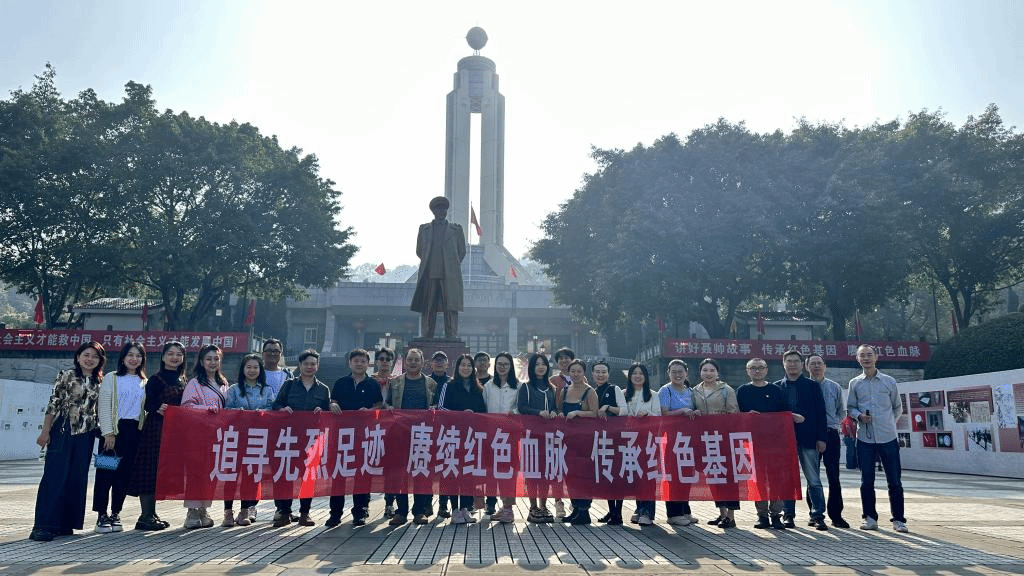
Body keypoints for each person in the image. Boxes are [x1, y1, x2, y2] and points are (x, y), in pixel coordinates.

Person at [30, 342, 106, 542]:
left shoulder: (99, 381)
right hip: (63, 430)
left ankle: (65, 524)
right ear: (78, 357)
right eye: (86, 355)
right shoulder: (67, 375)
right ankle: (43, 525)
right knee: (55, 477)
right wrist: (45, 432)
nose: (90, 359)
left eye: (95, 357)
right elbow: (53, 403)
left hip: (86, 435)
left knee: (76, 478)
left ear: (100, 361)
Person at [848, 344, 908, 533]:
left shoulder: (889, 381)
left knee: (895, 481)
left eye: (869, 355)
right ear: (857, 359)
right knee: (866, 481)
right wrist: (859, 416)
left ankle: (898, 519)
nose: (866, 358)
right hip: (864, 439)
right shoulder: (855, 383)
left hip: (888, 437)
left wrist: (889, 423)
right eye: (862, 355)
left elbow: (897, 407)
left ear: (876, 357)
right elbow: (850, 407)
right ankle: (870, 518)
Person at [128, 340, 187, 531]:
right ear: (162, 357)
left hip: (174, 432)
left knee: (161, 472)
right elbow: (147, 403)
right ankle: (145, 515)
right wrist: (157, 407)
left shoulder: (183, 380)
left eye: (179, 354)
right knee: (149, 470)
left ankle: (152, 514)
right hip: (155, 430)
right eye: (170, 353)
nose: (174, 357)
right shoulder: (155, 379)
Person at [271, 349, 331, 527]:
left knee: (308, 477)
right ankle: (285, 512)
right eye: (306, 364)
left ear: (317, 366)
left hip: (312, 439)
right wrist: (282, 409)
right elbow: (276, 404)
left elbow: (328, 411)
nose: (309, 367)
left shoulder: (323, 389)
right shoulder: (289, 385)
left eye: (313, 364)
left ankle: (305, 513)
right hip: (289, 437)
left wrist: (323, 411)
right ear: (300, 365)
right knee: (286, 475)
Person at [93, 342, 146, 535]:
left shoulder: (144, 381)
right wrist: (108, 432)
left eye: (138, 355)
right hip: (113, 433)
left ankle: (116, 513)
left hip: (134, 433)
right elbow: (103, 406)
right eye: (130, 355)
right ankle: (101, 515)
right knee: (105, 475)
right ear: (123, 358)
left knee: (123, 476)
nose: (134, 359)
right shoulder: (112, 378)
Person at [327, 348, 384, 527]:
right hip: (342, 436)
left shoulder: (373, 384)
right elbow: (333, 400)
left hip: (364, 436)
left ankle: (360, 511)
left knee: (362, 474)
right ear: (350, 363)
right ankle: (335, 513)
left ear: (368, 364)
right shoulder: (340, 382)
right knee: (339, 474)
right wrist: (332, 404)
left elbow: (379, 404)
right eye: (356, 361)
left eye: (363, 361)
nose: (359, 364)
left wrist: (370, 411)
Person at [775, 349, 829, 531]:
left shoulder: (812, 386)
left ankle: (818, 515)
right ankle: (788, 515)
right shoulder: (776, 387)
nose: (792, 364)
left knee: (813, 480)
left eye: (796, 361)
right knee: (787, 479)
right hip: (784, 441)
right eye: (789, 361)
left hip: (809, 438)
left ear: (802, 365)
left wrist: (822, 438)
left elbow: (821, 414)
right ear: (783, 364)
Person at [180, 344, 229, 529]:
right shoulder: (194, 383)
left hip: (217, 435)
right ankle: (192, 511)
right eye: (208, 359)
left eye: (216, 359)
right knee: (196, 472)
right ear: (201, 362)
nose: (212, 362)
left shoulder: (223, 383)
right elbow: (187, 406)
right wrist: (207, 409)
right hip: (198, 434)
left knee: (211, 472)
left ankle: (204, 509)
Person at [736, 357, 788, 530]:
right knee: (758, 480)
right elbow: (736, 416)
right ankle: (762, 515)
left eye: (760, 367)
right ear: (747, 371)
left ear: (766, 370)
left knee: (776, 479)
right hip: (753, 442)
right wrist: (746, 416)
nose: (757, 371)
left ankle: (776, 515)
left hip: (775, 442)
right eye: (753, 368)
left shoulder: (776, 390)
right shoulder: (742, 391)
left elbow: (784, 414)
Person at [224, 353, 275, 527]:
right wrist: (238, 412)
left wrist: (262, 413)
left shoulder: (267, 390)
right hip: (236, 437)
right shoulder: (233, 389)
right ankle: (228, 512)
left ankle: (245, 510)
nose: (252, 370)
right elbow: (226, 410)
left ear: (260, 370)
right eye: (248, 367)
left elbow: (272, 409)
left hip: (257, 438)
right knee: (231, 474)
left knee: (251, 474)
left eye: (255, 367)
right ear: (243, 369)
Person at [387, 348, 437, 525]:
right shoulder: (395, 383)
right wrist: (389, 410)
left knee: (420, 472)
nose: (413, 363)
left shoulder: (431, 384)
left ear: (422, 362)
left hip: (422, 433)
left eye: (417, 360)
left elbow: (435, 405)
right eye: (410, 359)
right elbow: (387, 404)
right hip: (400, 433)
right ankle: (401, 512)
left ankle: (419, 511)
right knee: (400, 472)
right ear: (405, 362)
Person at [437, 353, 487, 523]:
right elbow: (441, 409)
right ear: (457, 367)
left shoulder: (478, 388)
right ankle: (455, 510)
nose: (465, 368)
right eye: (462, 365)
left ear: (473, 368)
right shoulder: (448, 385)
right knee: (453, 472)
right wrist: (461, 415)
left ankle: (465, 508)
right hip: (452, 436)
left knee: (467, 473)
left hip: (471, 438)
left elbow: (483, 412)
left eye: (468, 365)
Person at [692, 358, 740, 528]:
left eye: (712, 370)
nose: (708, 373)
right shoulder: (695, 391)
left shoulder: (726, 390)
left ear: (717, 373)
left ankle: (731, 516)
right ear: (700, 372)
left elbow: (734, 413)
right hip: (705, 439)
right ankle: (721, 513)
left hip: (724, 438)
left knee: (728, 477)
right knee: (713, 475)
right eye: (705, 370)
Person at [411, 195, 467, 339]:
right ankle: (427, 333)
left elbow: (461, 252)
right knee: (428, 306)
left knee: (451, 307)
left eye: (444, 209)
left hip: (449, 275)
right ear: (433, 211)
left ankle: (451, 334)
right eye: (439, 209)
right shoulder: (424, 229)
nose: (442, 211)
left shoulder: (456, 230)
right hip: (430, 273)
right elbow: (419, 251)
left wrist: (451, 264)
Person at [807, 354, 850, 528]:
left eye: (819, 363)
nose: (816, 366)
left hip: (830, 434)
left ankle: (836, 515)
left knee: (834, 476)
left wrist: (832, 425)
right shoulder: (804, 387)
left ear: (825, 366)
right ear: (807, 367)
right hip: (810, 435)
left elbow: (842, 411)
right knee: (812, 477)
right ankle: (814, 513)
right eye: (813, 364)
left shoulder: (834, 387)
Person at [517, 353, 557, 523]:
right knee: (531, 472)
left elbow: (555, 407)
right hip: (530, 437)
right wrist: (538, 412)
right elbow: (521, 407)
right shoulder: (526, 387)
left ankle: (544, 506)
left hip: (548, 438)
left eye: (544, 364)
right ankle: (533, 507)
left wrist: (554, 412)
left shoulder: (552, 388)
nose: (541, 367)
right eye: (537, 364)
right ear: (531, 368)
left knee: (545, 473)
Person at [658, 359, 698, 526]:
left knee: (687, 473)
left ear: (686, 373)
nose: (677, 375)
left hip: (689, 439)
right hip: (673, 439)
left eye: (680, 371)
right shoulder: (665, 390)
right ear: (668, 373)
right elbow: (664, 413)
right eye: (673, 372)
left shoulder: (690, 391)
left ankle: (685, 510)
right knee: (674, 475)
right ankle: (673, 513)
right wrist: (682, 411)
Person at [559, 359, 598, 525]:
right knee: (570, 474)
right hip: (568, 439)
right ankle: (575, 507)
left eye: (579, 371)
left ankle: (584, 510)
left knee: (584, 474)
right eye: (572, 371)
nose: (575, 374)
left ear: (584, 373)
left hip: (585, 440)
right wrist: (559, 414)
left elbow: (595, 413)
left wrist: (578, 413)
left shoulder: (590, 392)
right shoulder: (564, 391)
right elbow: (559, 409)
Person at [482, 351, 519, 523]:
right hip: (491, 436)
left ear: (511, 367)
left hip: (509, 437)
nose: (502, 367)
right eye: (499, 364)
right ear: (495, 366)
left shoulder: (518, 386)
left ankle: (508, 509)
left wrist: (514, 412)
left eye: (506, 364)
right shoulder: (488, 386)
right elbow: (483, 409)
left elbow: (520, 408)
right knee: (494, 472)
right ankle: (501, 506)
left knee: (508, 472)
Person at [623, 363, 660, 526]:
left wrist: (648, 413)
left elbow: (659, 417)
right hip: (630, 442)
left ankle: (648, 512)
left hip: (648, 441)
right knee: (637, 476)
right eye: (634, 373)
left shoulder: (653, 395)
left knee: (648, 477)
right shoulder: (623, 394)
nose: (637, 376)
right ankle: (639, 508)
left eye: (641, 373)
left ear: (646, 377)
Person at [593, 360, 627, 525]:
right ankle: (611, 510)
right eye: (597, 372)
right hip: (601, 439)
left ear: (608, 373)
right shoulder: (592, 392)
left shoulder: (615, 389)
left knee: (617, 475)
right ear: (592, 374)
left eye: (604, 372)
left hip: (617, 438)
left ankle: (618, 513)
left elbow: (624, 411)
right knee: (606, 474)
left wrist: (607, 407)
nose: (600, 375)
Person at [547, 346, 575, 519]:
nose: (564, 361)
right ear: (557, 362)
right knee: (557, 466)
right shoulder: (552, 380)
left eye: (567, 357)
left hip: (576, 429)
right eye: (561, 358)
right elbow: (550, 402)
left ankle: (574, 498)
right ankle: (558, 502)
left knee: (573, 465)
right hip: (557, 428)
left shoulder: (580, 378)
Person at [426, 351, 453, 518]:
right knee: (428, 468)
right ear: (431, 364)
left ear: (447, 364)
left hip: (446, 431)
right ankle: (427, 504)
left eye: (442, 360)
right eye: (436, 360)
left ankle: (443, 505)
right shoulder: (425, 381)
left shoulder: (452, 382)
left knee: (445, 468)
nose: (439, 363)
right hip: (427, 430)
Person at [373, 347, 398, 519]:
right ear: (376, 361)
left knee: (391, 467)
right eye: (381, 359)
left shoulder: (398, 382)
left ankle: (389, 503)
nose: (384, 362)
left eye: (388, 359)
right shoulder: (369, 381)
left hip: (392, 430)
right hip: (372, 429)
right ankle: (362, 506)